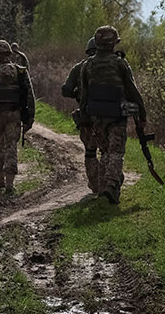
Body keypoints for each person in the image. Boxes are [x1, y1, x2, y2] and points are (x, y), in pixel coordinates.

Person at [80, 25, 147, 204]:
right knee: (116, 152)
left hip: (96, 115)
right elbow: (132, 90)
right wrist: (142, 114)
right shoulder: (120, 63)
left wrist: (85, 116)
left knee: (105, 151)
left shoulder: (88, 65)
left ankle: (105, 189)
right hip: (116, 116)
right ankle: (110, 184)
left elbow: (84, 95)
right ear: (113, 44)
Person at [0, 40, 35, 192]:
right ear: (9, 54)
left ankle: (0, 179)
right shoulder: (21, 71)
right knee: (11, 147)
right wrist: (30, 117)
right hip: (14, 114)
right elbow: (30, 95)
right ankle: (10, 183)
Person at [62, 37, 99, 193]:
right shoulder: (114, 64)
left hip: (87, 115)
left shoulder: (79, 68)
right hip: (109, 116)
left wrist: (77, 93)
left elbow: (65, 90)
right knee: (108, 150)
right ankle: (109, 182)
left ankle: (95, 184)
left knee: (90, 151)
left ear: (88, 51)